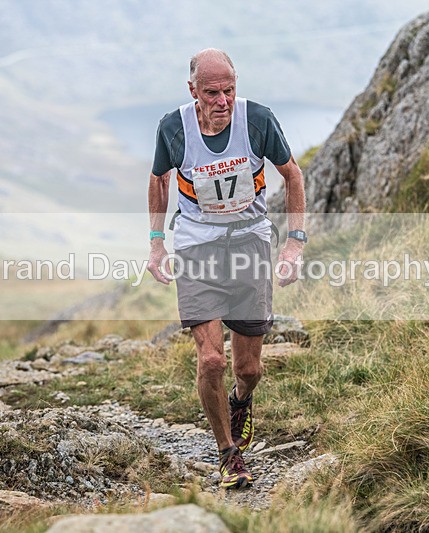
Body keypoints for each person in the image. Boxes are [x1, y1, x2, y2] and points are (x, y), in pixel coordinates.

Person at [146, 48, 307, 489]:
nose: (223, 101)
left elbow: (292, 175)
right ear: (193, 90)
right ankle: (227, 453)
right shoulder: (173, 127)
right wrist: (157, 244)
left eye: (230, 91)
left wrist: (294, 243)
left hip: (250, 243)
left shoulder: (257, 120)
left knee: (248, 369)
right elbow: (159, 179)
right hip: (197, 247)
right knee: (212, 358)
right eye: (212, 93)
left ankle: (240, 401)